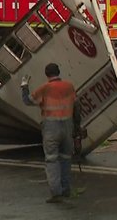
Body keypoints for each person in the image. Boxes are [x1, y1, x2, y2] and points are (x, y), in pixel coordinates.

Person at [21, 63, 79, 202]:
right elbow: (77, 106)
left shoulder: (45, 89)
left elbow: (28, 101)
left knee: (52, 160)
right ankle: (66, 190)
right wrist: (77, 127)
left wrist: (24, 86)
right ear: (59, 72)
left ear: (47, 74)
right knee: (65, 158)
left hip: (51, 128)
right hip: (67, 126)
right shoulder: (69, 86)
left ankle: (56, 193)